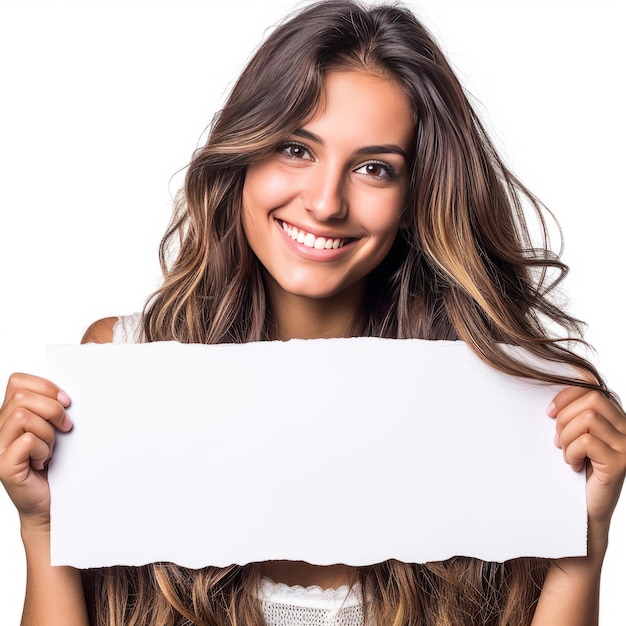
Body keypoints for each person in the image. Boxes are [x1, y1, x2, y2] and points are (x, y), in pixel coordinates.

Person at [1, 0, 624, 624]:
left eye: (375, 168)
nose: (326, 203)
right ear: (244, 155)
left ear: (416, 197)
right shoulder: (121, 366)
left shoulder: (526, 407)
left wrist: (585, 540)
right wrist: (44, 527)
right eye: (297, 150)